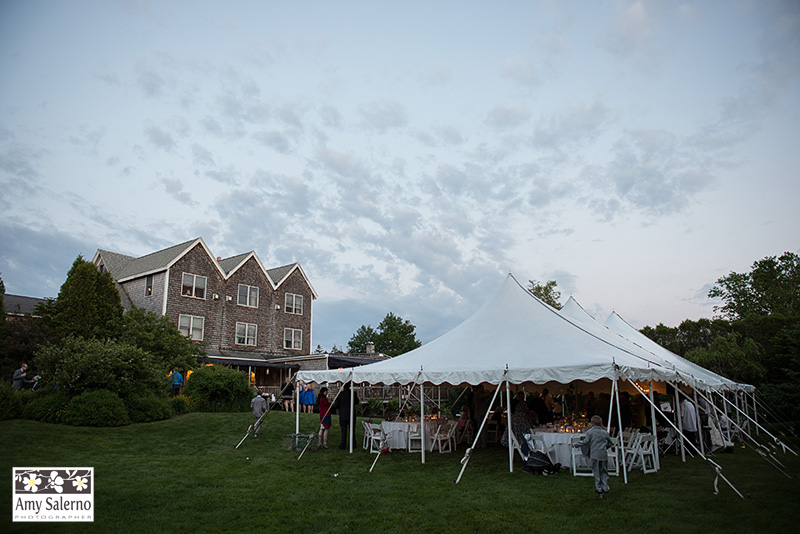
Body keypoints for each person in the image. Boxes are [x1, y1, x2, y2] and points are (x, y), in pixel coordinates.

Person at [574, 415, 614, 498]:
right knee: (604, 471)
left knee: (596, 471)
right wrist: (605, 447)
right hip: (603, 454)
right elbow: (610, 443)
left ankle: (598, 488)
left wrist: (576, 444)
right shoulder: (604, 432)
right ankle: (605, 486)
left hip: (594, 455)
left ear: (592, 423)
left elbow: (585, 441)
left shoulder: (590, 432)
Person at [331, 382, 359, 450]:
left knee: (343, 431)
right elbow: (357, 402)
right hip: (351, 415)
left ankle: (342, 446)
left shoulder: (340, 394)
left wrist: (340, 408)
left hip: (343, 415)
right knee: (352, 431)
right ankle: (353, 445)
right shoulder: (352, 393)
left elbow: (336, 405)